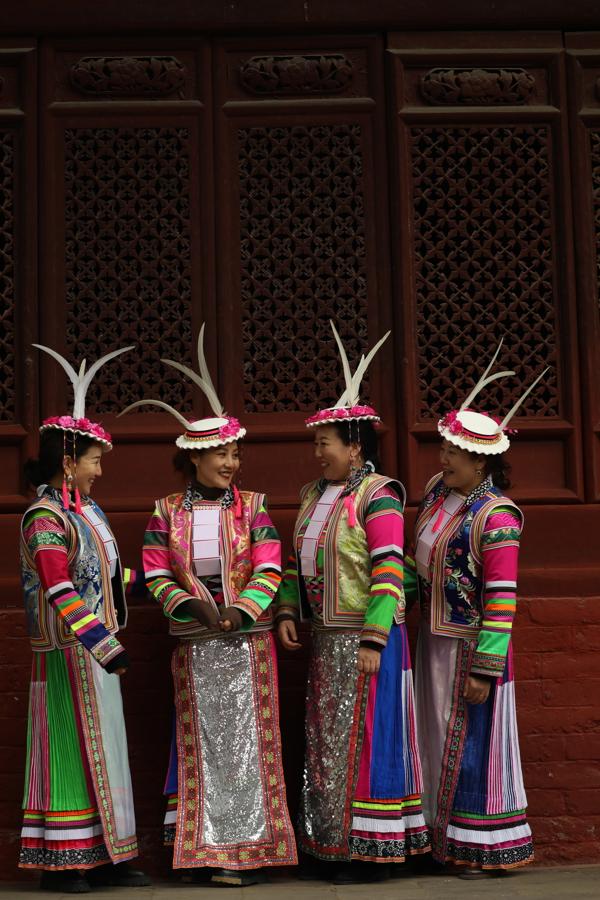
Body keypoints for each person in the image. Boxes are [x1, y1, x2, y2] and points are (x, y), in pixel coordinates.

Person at [120, 324, 297, 886]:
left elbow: (270, 566)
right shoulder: (165, 511)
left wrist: (241, 611)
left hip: (247, 643)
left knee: (248, 746)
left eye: (234, 452)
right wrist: (192, 609)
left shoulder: (254, 507)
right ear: (194, 457)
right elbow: (155, 572)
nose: (231, 462)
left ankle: (248, 854)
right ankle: (203, 852)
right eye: (221, 453)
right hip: (196, 644)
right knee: (203, 747)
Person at [276, 322, 429, 885]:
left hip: (370, 642)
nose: (317, 452)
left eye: (325, 443)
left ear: (354, 446)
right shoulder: (311, 495)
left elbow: (389, 571)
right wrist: (287, 610)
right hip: (325, 641)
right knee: (327, 742)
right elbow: (294, 563)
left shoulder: (379, 495)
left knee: (367, 740)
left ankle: (371, 850)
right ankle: (328, 843)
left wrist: (374, 636)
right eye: (317, 443)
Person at [409, 343, 546, 877]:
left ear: (480, 461)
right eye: (445, 449)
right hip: (432, 639)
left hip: (471, 647)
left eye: (454, 453)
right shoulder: (434, 494)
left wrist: (486, 669)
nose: (443, 459)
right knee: (434, 737)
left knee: (475, 744)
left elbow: (502, 598)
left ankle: (479, 848)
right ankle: (439, 840)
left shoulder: (498, 518)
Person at [19, 344, 150, 893]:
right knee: (68, 753)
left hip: (96, 653)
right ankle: (65, 862)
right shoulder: (44, 518)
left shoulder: (87, 512)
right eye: (95, 460)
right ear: (70, 462)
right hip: (68, 653)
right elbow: (59, 587)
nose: (100, 470)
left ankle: (109, 855)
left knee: (108, 751)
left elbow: (107, 576)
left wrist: (158, 582)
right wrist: (106, 645)